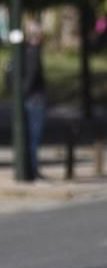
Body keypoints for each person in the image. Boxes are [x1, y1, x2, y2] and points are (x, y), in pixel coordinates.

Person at [20, 20, 48, 179]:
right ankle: (32, 169)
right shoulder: (33, 52)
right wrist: (25, 93)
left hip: (31, 98)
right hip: (35, 99)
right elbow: (31, 75)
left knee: (31, 136)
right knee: (34, 136)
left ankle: (31, 168)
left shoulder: (25, 50)